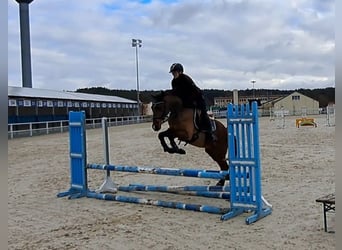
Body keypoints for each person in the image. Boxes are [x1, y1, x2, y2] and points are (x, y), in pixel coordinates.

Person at [169, 63, 217, 142]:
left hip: (197, 98)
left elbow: (193, 92)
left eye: (174, 72)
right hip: (186, 100)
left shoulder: (186, 79)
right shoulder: (173, 82)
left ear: (180, 72)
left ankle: (210, 133)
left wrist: (192, 102)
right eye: (172, 73)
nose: (173, 74)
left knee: (203, 114)